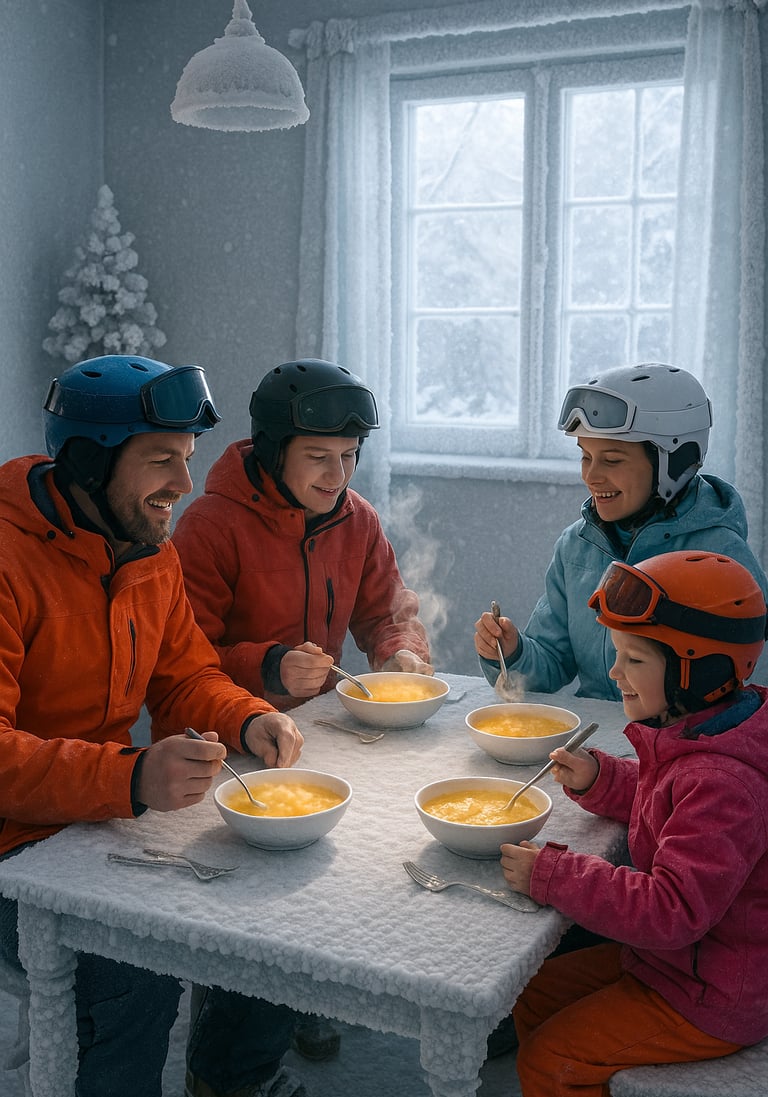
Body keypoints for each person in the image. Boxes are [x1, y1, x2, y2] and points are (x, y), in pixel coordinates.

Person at [0, 354, 308, 1097]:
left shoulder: (147, 551)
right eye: (160, 460)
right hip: (10, 847)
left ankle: (229, 1079)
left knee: (265, 893)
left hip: (92, 820)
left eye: (188, 458)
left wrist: (247, 714)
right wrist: (130, 775)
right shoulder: (7, 559)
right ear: (86, 459)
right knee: (139, 964)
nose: (184, 483)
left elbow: (185, 674)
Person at [171, 356, 432, 1059]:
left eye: (349, 456)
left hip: (310, 736)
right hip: (218, 746)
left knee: (323, 875)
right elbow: (177, 658)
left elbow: (389, 610)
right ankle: (229, 1060)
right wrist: (267, 663)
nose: (337, 475)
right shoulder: (209, 525)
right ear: (270, 447)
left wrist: (399, 648)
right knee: (251, 906)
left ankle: (302, 993)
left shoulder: (358, 520)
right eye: (318, 457)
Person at [500, 549, 768, 1097]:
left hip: (710, 990)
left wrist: (555, 876)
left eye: (634, 660)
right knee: (533, 992)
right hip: (673, 964)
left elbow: (672, 911)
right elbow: (667, 802)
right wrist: (600, 778)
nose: (614, 673)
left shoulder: (724, 783)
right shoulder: (701, 730)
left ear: (701, 672)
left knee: (552, 1062)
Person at [474, 362, 768, 701]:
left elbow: (736, 692)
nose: (591, 476)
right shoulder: (576, 547)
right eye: (586, 457)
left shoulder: (720, 559)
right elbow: (552, 664)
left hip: (680, 746)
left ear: (673, 462)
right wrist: (511, 652)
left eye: (612, 460)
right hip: (595, 739)